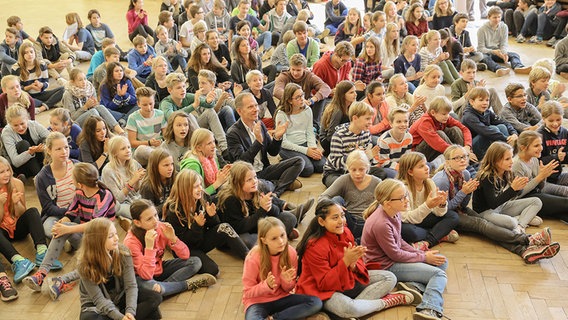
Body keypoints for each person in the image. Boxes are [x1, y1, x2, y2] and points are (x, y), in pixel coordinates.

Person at [433, 144, 561, 264]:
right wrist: (463, 192)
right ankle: (528, 239)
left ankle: (524, 251)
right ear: (447, 161)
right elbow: (443, 210)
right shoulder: (442, 180)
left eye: (465, 156)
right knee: (483, 225)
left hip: (461, 210)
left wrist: (465, 193)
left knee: (488, 229)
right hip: (446, 216)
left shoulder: (465, 174)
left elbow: (464, 204)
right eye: (457, 158)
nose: (462, 160)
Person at [295, 199, 414, 319]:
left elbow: (359, 263)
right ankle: (385, 302)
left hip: (347, 281)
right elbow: (324, 284)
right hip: (322, 291)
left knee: (389, 278)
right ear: (321, 221)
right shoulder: (314, 246)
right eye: (335, 218)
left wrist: (354, 264)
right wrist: (345, 261)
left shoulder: (346, 232)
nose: (341, 221)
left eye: (342, 215)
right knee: (350, 308)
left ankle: (352, 311)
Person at [23, 163, 116, 295]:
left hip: (103, 242)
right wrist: (61, 224)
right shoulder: (79, 193)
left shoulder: (104, 195)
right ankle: (41, 275)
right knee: (63, 228)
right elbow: (70, 214)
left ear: (79, 183)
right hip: (87, 238)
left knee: (94, 264)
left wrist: (66, 229)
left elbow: (95, 226)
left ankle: (60, 280)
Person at [361, 179, 449, 320]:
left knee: (442, 262)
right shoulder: (381, 223)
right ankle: (429, 308)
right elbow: (395, 254)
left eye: (406, 195)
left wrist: (421, 253)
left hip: (393, 259)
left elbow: (399, 242)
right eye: (402, 198)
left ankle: (414, 286)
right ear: (388, 202)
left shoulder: (394, 212)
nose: (406, 200)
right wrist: (424, 258)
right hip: (385, 266)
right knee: (439, 275)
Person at [124, 199, 217, 297]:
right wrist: (149, 248)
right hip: (141, 277)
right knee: (149, 287)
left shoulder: (161, 227)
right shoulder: (131, 242)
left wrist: (173, 239)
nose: (155, 221)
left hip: (159, 269)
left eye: (155, 215)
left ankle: (164, 288)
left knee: (195, 262)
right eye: (149, 219)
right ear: (137, 223)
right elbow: (146, 275)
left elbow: (185, 255)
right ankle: (186, 285)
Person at [163, 169, 249, 277]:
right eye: (195, 187)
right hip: (187, 247)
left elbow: (215, 225)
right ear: (185, 189)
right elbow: (183, 242)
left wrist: (212, 216)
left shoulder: (203, 197)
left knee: (224, 227)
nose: (200, 189)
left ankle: (248, 256)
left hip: (200, 238)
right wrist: (197, 226)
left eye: (200, 185)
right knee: (214, 271)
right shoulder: (174, 212)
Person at [77, 218, 163, 320]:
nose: (117, 238)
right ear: (97, 241)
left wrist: (130, 312)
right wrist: (120, 317)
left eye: (116, 233)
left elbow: (131, 286)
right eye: (110, 236)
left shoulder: (123, 252)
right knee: (88, 318)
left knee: (155, 297)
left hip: (120, 297)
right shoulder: (84, 265)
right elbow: (99, 300)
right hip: (97, 307)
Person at [224, 92, 304, 196]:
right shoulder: (233, 133)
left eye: (256, 105)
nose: (256, 109)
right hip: (249, 177)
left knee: (299, 161)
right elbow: (241, 162)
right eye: (250, 107)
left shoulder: (259, 124)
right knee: (261, 186)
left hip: (264, 170)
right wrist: (258, 142)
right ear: (239, 111)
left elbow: (273, 152)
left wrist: (277, 137)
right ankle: (280, 185)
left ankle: (275, 187)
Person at [242, 217, 323, 320]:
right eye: (274, 238)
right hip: (258, 302)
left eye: (282, 235)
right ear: (264, 240)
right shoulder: (253, 257)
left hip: (282, 298)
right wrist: (266, 286)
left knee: (315, 303)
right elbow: (248, 292)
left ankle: (275, 318)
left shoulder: (291, 253)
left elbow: (289, 289)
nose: (281, 241)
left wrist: (286, 281)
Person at [217, 161, 300, 248]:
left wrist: (269, 206)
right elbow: (239, 227)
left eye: (255, 177)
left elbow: (276, 213)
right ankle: (279, 235)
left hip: (256, 224)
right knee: (246, 241)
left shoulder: (257, 189)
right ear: (238, 183)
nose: (255, 181)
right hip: (239, 231)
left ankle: (273, 237)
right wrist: (262, 210)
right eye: (249, 180)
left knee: (289, 218)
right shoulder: (231, 199)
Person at [0, 156, 51, 284]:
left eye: (8, 170)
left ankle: (42, 252)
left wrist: (16, 203)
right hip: (3, 232)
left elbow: (22, 213)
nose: (6, 174)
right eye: (1, 172)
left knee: (33, 212)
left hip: (17, 226)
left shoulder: (17, 183)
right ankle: (19, 261)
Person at [473, 142, 543, 234]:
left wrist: (519, 188)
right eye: (507, 159)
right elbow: (492, 204)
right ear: (495, 161)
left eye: (511, 157)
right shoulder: (487, 177)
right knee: (511, 223)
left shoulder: (506, 172)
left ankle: (520, 226)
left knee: (536, 201)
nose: (512, 161)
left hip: (501, 206)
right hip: (485, 212)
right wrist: (513, 189)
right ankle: (520, 219)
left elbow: (513, 196)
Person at [396, 152, 459, 251]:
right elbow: (407, 218)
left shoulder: (429, 182)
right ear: (410, 172)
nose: (427, 168)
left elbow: (438, 213)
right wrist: (427, 206)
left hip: (423, 218)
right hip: (410, 222)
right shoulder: (402, 188)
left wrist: (441, 204)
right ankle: (440, 234)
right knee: (407, 231)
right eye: (421, 166)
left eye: (426, 164)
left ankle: (427, 242)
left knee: (453, 216)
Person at [320, 150, 382, 244]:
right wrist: (334, 206)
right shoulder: (344, 179)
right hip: (348, 221)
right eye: (353, 170)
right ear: (348, 169)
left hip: (369, 222)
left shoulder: (377, 182)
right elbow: (323, 197)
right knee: (333, 202)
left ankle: (357, 241)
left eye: (361, 169)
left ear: (367, 168)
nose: (357, 173)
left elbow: (387, 201)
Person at [159, 72, 228, 153]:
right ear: (170, 90)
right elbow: (172, 117)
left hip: (190, 129)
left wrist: (209, 101)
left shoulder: (187, 96)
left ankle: (225, 149)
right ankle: (206, 146)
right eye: (178, 88)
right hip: (174, 134)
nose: (183, 90)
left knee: (210, 111)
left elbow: (208, 105)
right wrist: (194, 105)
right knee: (188, 116)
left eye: (184, 86)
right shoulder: (166, 103)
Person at [322, 101, 385, 188]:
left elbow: (366, 163)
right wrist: (353, 156)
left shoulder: (366, 134)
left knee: (380, 173)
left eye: (371, 119)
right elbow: (336, 163)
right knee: (339, 184)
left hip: (358, 171)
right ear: (355, 118)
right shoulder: (339, 136)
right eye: (367, 119)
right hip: (336, 172)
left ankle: (356, 185)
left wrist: (369, 157)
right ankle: (357, 186)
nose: (371, 122)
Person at [513, 131, 568, 222]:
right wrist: (539, 177)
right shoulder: (517, 164)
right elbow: (518, 194)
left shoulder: (534, 159)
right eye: (536, 146)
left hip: (537, 194)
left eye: (541, 144)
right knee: (565, 203)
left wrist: (543, 176)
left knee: (563, 212)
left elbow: (540, 187)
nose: (541, 148)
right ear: (523, 148)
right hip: (526, 200)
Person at [275, 83, 325, 177]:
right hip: (288, 147)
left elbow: (310, 131)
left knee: (321, 166)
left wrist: (313, 148)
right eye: (297, 97)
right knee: (308, 170)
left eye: (302, 95)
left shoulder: (307, 110)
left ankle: (300, 158)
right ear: (289, 100)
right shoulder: (281, 114)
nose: (302, 99)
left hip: (304, 143)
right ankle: (284, 160)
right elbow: (283, 142)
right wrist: (307, 151)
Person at [273, 54, 331, 128]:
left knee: (321, 98)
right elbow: (277, 91)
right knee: (284, 99)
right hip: (289, 106)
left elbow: (326, 88)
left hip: (305, 105)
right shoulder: (284, 76)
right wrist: (296, 99)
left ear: (305, 68)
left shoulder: (309, 76)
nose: (295, 73)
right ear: (289, 67)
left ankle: (314, 125)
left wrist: (313, 100)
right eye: (293, 69)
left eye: (298, 70)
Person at [410, 96, 473, 162]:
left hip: (436, 146)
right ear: (433, 113)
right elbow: (438, 144)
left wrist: (467, 146)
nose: (447, 116)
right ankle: (461, 159)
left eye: (448, 113)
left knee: (455, 129)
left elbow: (464, 129)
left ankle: (466, 159)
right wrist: (460, 153)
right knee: (440, 134)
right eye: (444, 114)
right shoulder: (424, 123)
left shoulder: (444, 118)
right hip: (416, 154)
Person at [62, 68, 124, 135]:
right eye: (80, 80)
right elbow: (71, 117)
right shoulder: (68, 94)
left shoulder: (90, 88)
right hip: (75, 123)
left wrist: (95, 104)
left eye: (85, 79)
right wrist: (85, 107)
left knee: (100, 107)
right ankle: (107, 134)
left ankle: (120, 131)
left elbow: (96, 107)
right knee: (92, 112)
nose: (84, 82)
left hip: (91, 119)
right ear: (72, 82)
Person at [101, 136, 144, 227]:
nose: (128, 150)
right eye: (123, 149)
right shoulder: (108, 171)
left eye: (129, 147)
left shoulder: (134, 163)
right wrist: (132, 181)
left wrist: (138, 181)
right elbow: (118, 199)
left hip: (136, 198)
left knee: (149, 210)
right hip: (120, 204)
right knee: (141, 214)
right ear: (115, 152)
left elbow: (137, 191)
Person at [477, 6, 531, 76]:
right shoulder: (482, 29)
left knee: (514, 55)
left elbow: (504, 44)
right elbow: (480, 48)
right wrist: (493, 51)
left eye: (499, 17)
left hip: (499, 52)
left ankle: (518, 67)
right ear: (488, 17)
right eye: (494, 17)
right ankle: (499, 69)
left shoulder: (504, 27)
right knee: (483, 57)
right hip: (487, 52)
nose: (497, 19)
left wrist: (504, 53)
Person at [11, 42, 64, 109]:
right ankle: (49, 103)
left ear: (35, 53)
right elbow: (16, 89)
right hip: (26, 95)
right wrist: (30, 87)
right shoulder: (16, 68)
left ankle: (43, 106)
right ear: (22, 55)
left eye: (31, 52)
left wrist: (42, 85)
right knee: (24, 101)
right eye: (26, 53)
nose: (29, 55)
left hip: (41, 93)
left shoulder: (42, 64)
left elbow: (46, 83)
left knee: (64, 89)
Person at [180, 128, 231, 195]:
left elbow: (217, 177)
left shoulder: (211, 156)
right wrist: (218, 182)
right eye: (209, 143)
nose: (214, 146)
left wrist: (224, 172)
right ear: (199, 148)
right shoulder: (193, 165)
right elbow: (197, 194)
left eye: (213, 141)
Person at [1, 104, 48, 178]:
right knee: (24, 144)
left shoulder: (33, 124)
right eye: (15, 125)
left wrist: (44, 148)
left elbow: (52, 139)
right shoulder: (6, 133)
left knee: (44, 140)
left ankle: (50, 170)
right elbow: (15, 162)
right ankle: (41, 177)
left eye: (22, 123)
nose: (20, 127)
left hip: (39, 160)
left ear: (27, 119)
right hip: (23, 166)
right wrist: (30, 152)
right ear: (9, 124)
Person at [126, 87, 166, 167]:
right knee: (142, 149)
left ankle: (160, 161)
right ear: (138, 104)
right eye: (144, 105)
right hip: (142, 150)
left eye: (151, 104)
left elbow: (166, 135)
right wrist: (149, 143)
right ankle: (161, 160)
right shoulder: (133, 118)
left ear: (154, 101)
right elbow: (132, 143)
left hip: (159, 147)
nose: (148, 108)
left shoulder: (160, 114)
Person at [319, 81, 357, 156]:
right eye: (351, 92)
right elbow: (331, 135)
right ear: (343, 95)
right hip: (328, 141)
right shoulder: (337, 110)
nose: (355, 94)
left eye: (355, 91)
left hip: (340, 136)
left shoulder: (350, 106)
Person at [377, 107, 413, 178]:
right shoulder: (385, 140)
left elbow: (406, 157)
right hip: (385, 166)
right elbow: (384, 162)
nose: (403, 124)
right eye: (399, 122)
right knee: (397, 176)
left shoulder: (408, 137)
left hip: (399, 164)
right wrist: (401, 169)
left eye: (405, 121)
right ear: (391, 124)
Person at [139, 148, 176, 214]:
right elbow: (149, 212)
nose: (170, 168)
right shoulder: (147, 187)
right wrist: (170, 203)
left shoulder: (176, 177)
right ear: (155, 166)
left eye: (172, 164)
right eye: (166, 165)